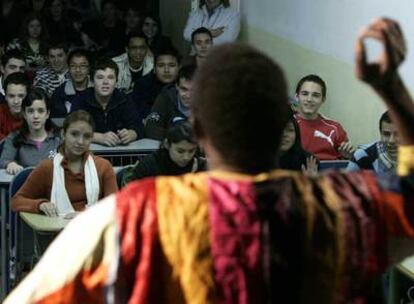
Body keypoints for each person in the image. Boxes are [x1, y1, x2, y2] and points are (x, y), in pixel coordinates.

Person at [5, 18, 414, 304]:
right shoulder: (344, 207)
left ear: (200, 134)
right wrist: (394, 92)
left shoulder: (133, 217)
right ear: (284, 129)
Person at [11, 110, 118, 216]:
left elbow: (114, 207)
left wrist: (84, 215)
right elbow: (16, 202)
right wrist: (40, 204)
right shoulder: (47, 168)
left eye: (87, 136)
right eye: (74, 134)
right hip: (57, 230)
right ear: (63, 134)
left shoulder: (103, 167)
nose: (80, 141)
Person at [74, 57, 142, 146]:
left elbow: (140, 127)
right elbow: (72, 129)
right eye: (100, 77)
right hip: (88, 154)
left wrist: (132, 134)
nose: (105, 82)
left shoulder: (124, 99)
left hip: (120, 155)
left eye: (110, 77)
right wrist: (98, 137)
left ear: (116, 81)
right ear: (92, 81)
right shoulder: (81, 100)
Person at [122, 120, 207, 186]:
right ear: (167, 144)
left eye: (191, 151)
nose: (186, 157)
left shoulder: (201, 166)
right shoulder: (149, 166)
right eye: (180, 151)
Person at [0, 89, 60, 175]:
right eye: (30, 111)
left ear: (47, 114)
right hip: (23, 186)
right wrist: (10, 164)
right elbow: (3, 161)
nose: (36, 116)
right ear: (24, 114)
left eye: (40, 111)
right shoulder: (14, 138)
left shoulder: (58, 139)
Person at [294, 74, 355, 160]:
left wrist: (348, 156)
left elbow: (347, 161)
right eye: (305, 94)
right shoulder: (286, 126)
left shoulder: (335, 128)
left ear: (323, 99)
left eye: (315, 95)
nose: (309, 99)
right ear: (297, 97)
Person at [145, 64, 196, 140]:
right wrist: (180, 136)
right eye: (184, 89)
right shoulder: (166, 97)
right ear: (177, 86)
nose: (188, 95)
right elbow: (150, 128)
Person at [130, 44, 180, 120]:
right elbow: (140, 115)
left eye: (171, 65)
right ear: (154, 69)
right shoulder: (142, 85)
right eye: (161, 65)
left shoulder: (186, 85)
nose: (166, 70)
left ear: (179, 67)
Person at [50, 48, 92, 118]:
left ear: (89, 68)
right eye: (73, 66)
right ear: (68, 68)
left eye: (82, 66)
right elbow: (57, 121)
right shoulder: (59, 93)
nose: (78, 70)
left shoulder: (97, 90)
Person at [0, 73, 31, 141]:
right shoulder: (1, 112)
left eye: (21, 96)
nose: (16, 101)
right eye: (11, 96)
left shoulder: (36, 115)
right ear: (5, 97)